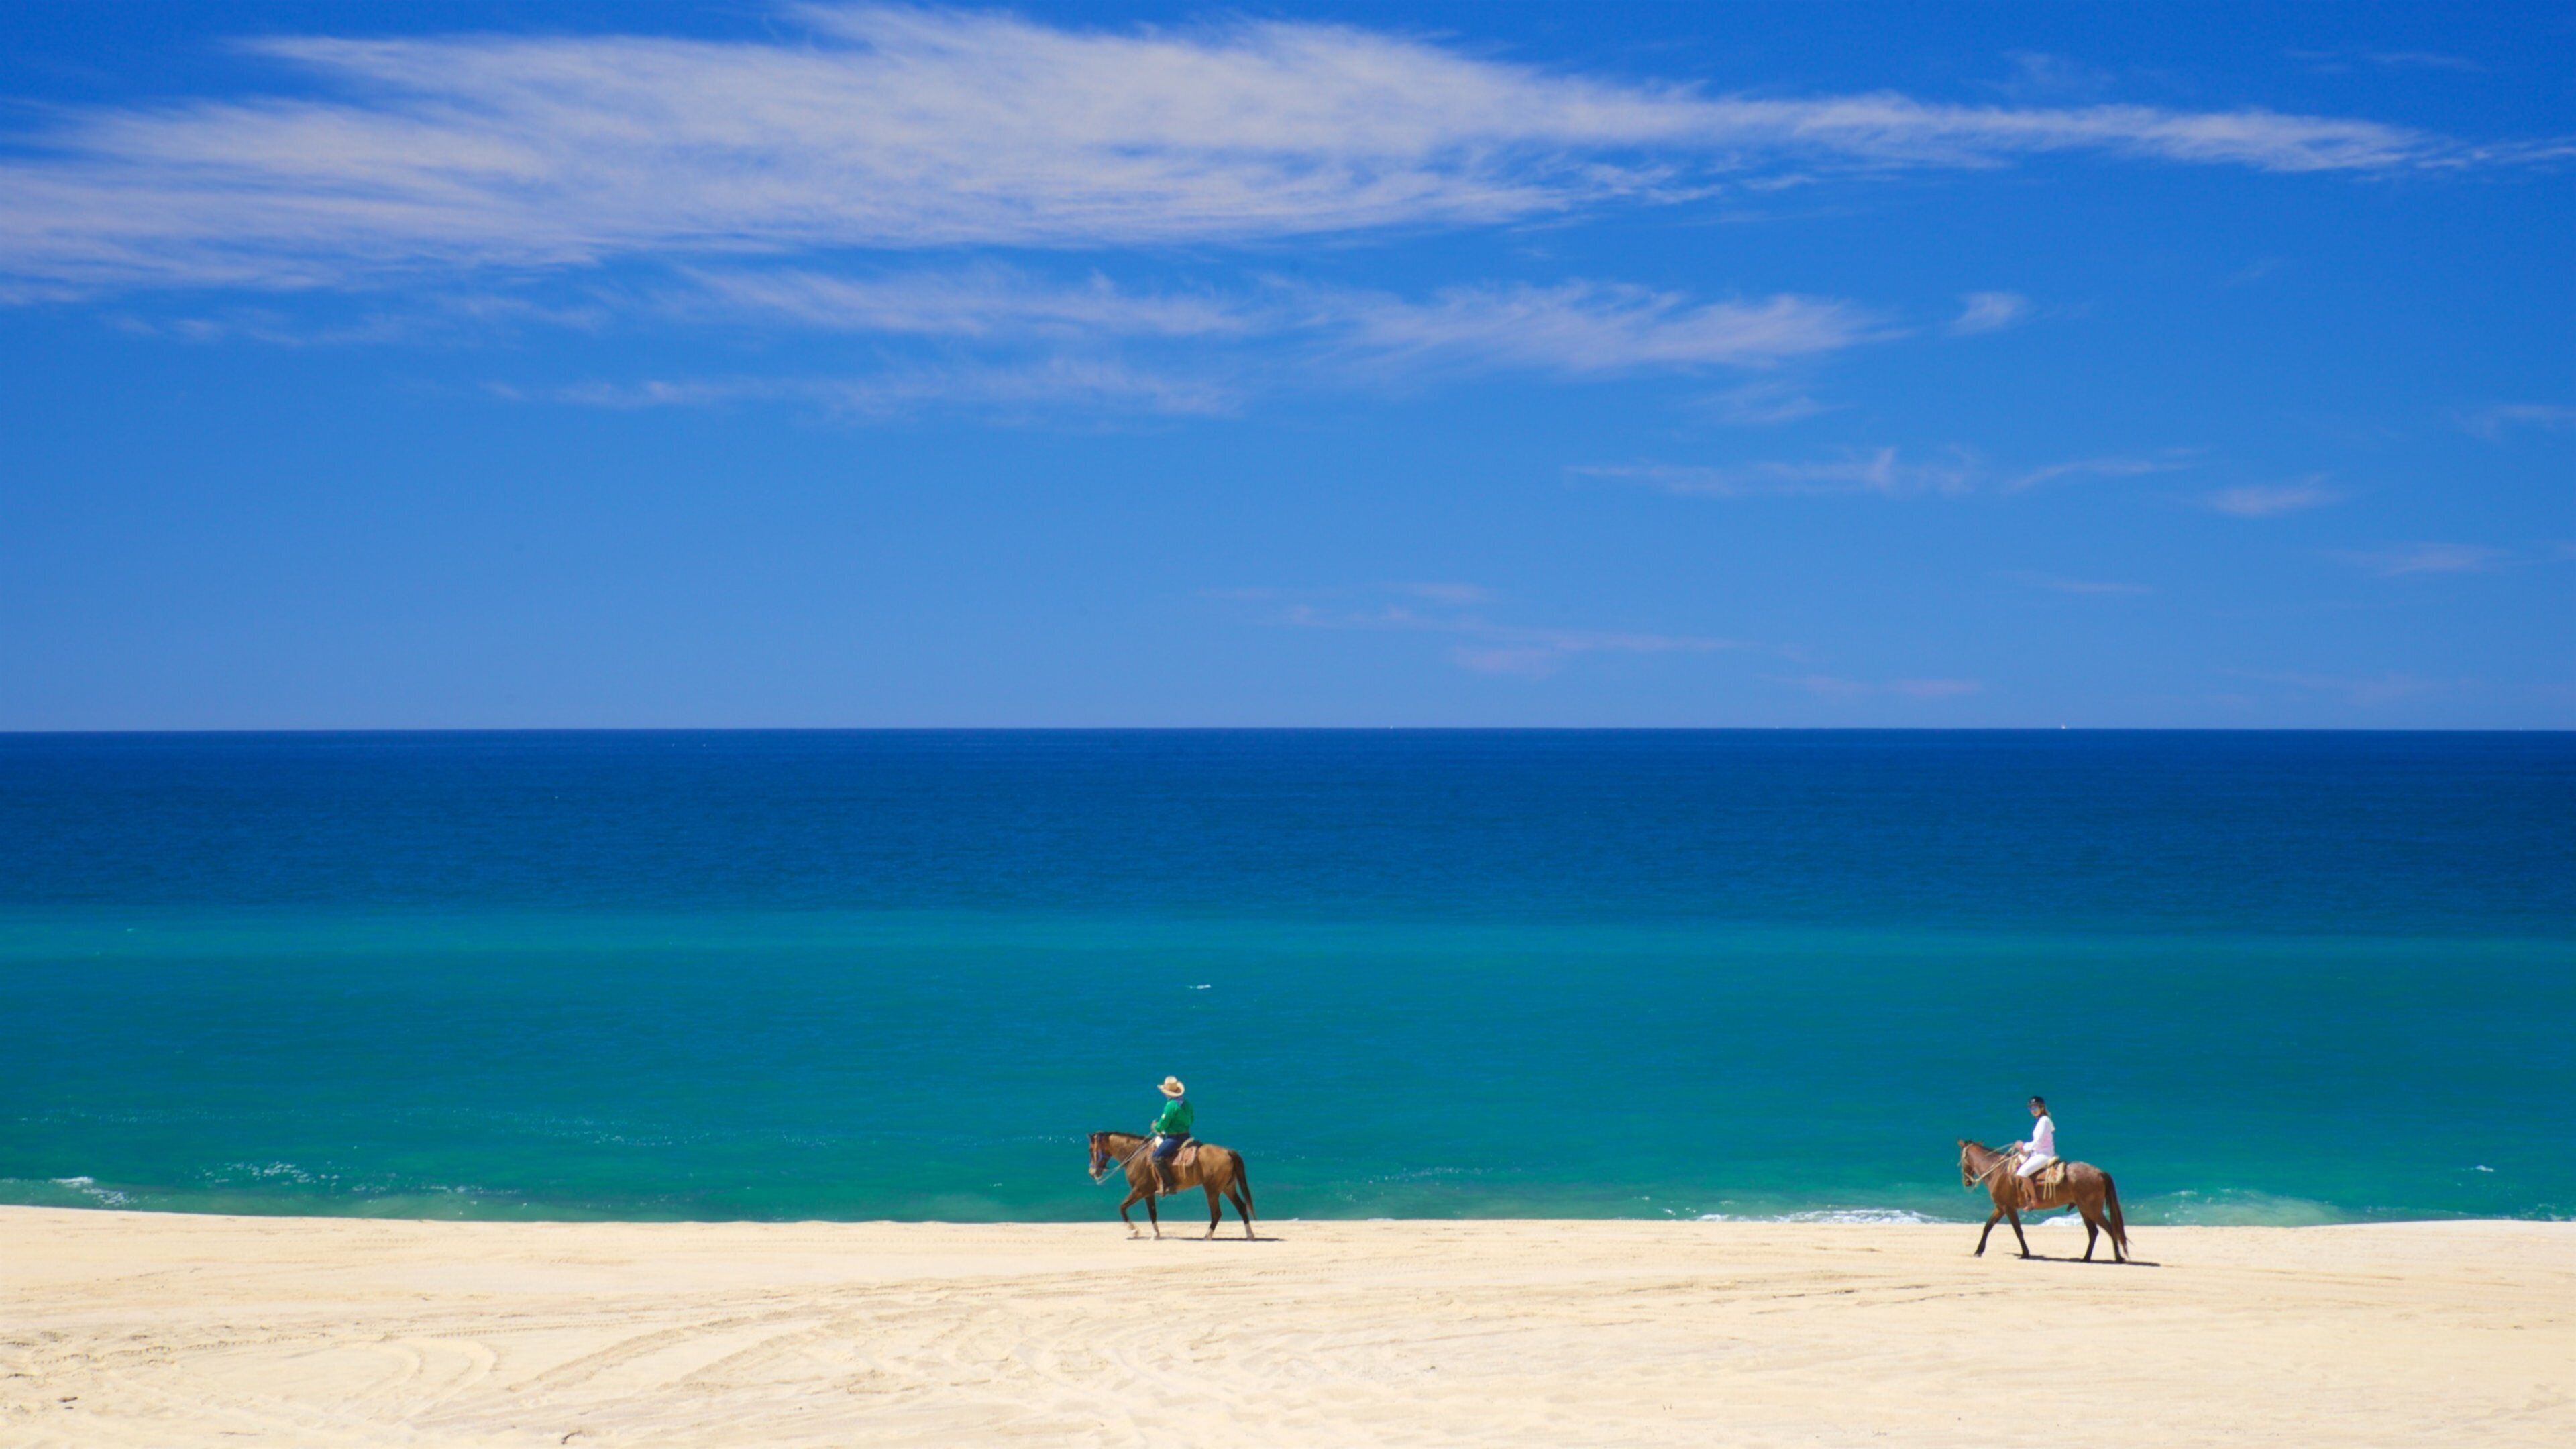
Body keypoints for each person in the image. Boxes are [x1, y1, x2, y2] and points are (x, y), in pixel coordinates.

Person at [1147, 1076, 1194, 1195]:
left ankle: (1170, 1185)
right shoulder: (1187, 1104)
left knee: (1156, 1157)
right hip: (1187, 1136)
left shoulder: (1170, 1106)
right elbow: (1192, 1120)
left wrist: (1155, 1127)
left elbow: (1162, 1124)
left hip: (1175, 1138)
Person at [2015, 1095, 2057, 1181]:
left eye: (2035, 1107)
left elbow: (2037, 1142)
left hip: (2043, 1155)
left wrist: (2023, 1146)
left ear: (2041, 1108)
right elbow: (2053, 1129)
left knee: (2021, 1173)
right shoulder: (2044, 1120)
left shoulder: (2044, 1120)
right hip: (2038, 1153)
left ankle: (2031, 1195)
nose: (2033, 1110)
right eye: (2031, 1108)